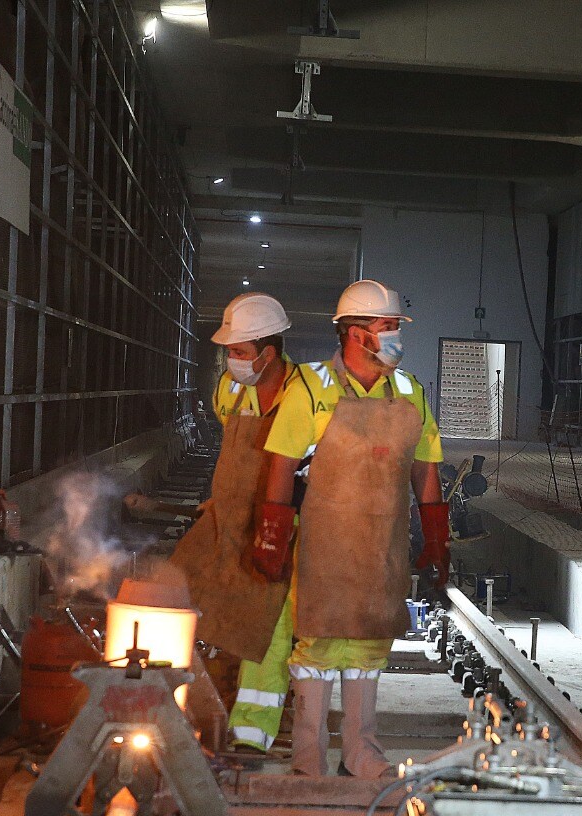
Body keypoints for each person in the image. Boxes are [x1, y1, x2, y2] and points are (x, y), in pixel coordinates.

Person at [249, 279, 450, 776]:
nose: (396, 338)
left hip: (381, 548)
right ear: (357, 335)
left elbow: (426, 466)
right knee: (316, 643)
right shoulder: (311, 388)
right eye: (388, 328)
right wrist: (271, 534)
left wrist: (436, 533)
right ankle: (308, 758)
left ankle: (361, 752)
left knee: (369, 644)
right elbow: (281, 463)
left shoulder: (410, 392)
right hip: (325, 546)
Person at [167, 292, 302, 753]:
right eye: (229, 351)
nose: (232, 360)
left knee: (267, 623)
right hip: (228, 516)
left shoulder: (304, 395)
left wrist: (281, 530)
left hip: (280, 525)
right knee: (177, 591)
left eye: (240, 352)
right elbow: (233, 453)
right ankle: (179, 707)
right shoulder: (229, 390)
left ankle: (250, 732)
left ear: (269, 352)